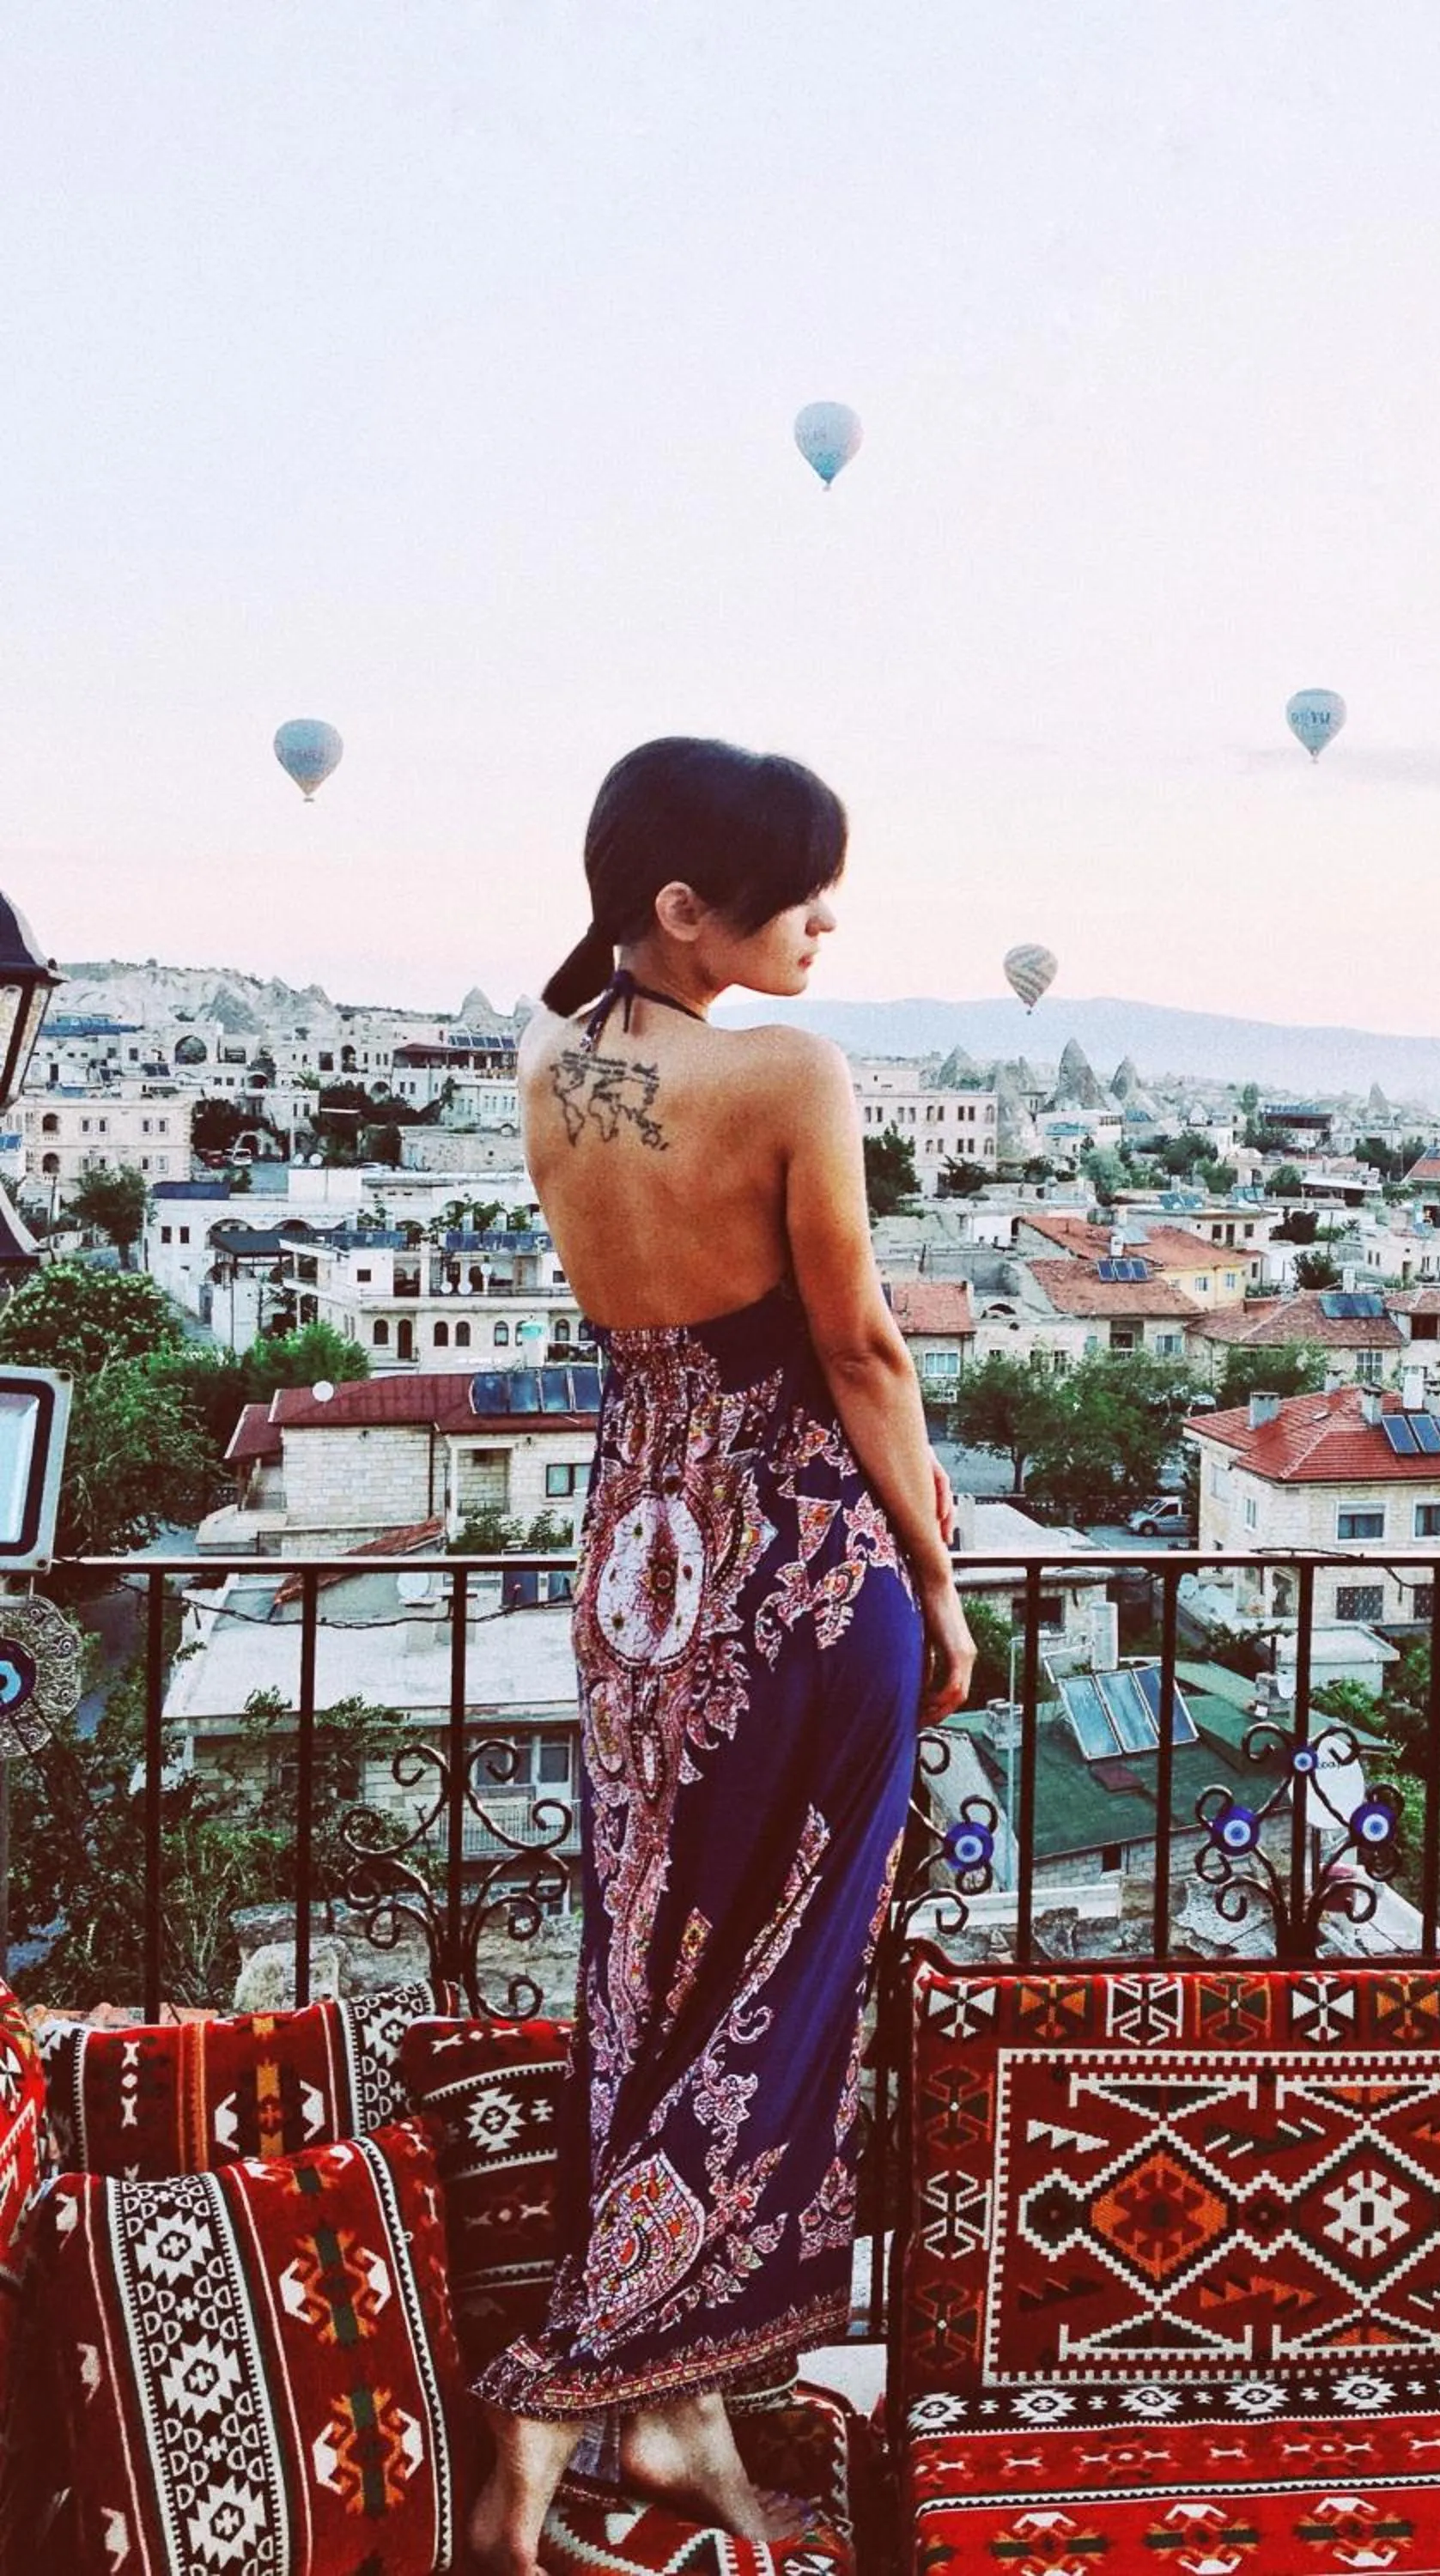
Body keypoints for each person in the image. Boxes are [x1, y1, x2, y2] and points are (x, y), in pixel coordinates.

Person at [470, 738, 975, 2575]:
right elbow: (858, 1351)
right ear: (684, 908)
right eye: (796, 895)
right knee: (778, 1983)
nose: (824, 924)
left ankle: (666, 2412)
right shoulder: (785, 1072)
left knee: (650, 1973)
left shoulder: (543, 1052)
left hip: (635, 1568)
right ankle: (569, 2390)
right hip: (787, 1562)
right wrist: (940, 1584)